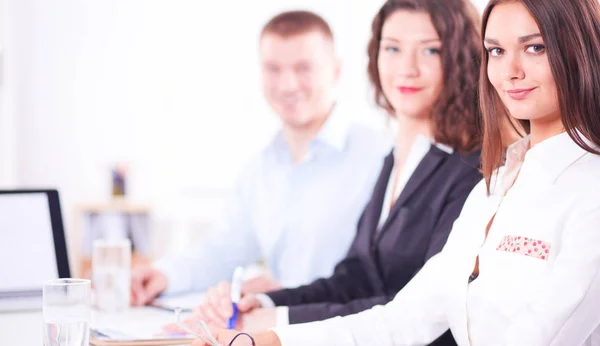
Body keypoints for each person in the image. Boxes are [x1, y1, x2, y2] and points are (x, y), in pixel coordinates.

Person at [189, 0, 600, 344]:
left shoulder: (586, 187)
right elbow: (404, 317)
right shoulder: (496, 187)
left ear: (578, 51)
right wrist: (269, 338)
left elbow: (544, 332)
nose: (510, 70)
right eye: (495, 50)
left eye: (535, 48)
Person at [175, 0, 482, 344]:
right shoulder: (397, 160)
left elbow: (419, 313)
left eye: (430, 51)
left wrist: (276, 327)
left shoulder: (473, 168)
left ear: (459, 56)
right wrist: (265, 305)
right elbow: (357, 277)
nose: (407, 68)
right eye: (393, 48)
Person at [130, 10, 391, 306]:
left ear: (335, 70)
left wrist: (281, 295)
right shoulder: (261, 168)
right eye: (273, 69)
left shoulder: (381, 156)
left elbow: (381, 275)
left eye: (303, 68)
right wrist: (164, 274)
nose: (287, 85)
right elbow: (224, 248)